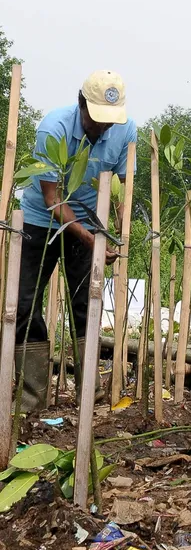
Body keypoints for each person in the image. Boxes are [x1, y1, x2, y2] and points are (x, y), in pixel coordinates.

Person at [15, 70, 137, 412]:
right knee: (24, 304)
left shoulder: (126, 130)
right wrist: (88, 238)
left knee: (87, 303)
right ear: (81, 103)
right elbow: (53, 198)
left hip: (87, 222)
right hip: (41, 222)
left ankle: (90, 396)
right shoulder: (52, 129)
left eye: (110, 120)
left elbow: (121, 188)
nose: (104, 128)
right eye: (97, 119)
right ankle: (32, 398)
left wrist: (118, 228)